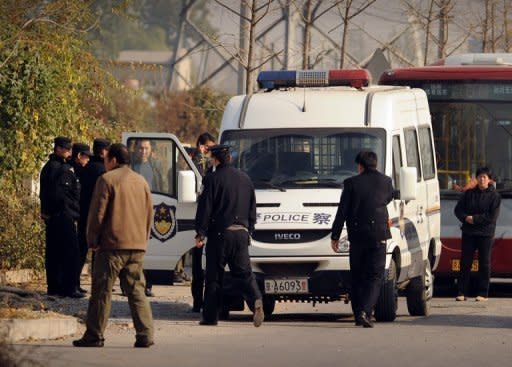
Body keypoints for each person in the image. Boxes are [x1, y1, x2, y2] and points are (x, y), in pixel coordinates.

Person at [73, 143, 154, 348]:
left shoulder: (106, 180)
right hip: (136, 245)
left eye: (107, 158)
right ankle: (145, 334)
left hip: (111, 246)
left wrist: (92, 240)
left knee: (102, 291)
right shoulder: (141, 181)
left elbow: (97, 214)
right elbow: (149, 214)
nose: (105, 162)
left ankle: (94, 335)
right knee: (137, 290)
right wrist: (142, 239)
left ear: (114, 160)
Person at [194, 144, 264, 327]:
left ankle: (210, 317)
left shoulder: (212, 179)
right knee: (244, 273)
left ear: (215, 160)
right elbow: (252, 207)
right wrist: (250, 229)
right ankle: (256, 299)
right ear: (230, 159)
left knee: (214, 277)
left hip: (220, 234)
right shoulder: (246, 179)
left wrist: (200, 232)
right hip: (241, 233)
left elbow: (205, 208)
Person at [330, 151, 393, 328]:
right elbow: (388, 198)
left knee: (357, 275)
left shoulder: (351, 183)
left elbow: (342, 211)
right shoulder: (386, 182)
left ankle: (359, 313)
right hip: (379, 236)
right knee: (375, 276)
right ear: (376, 164)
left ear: (360, 166)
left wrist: (335, 236)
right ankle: (366, 311)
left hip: (357, 237)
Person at [454, 167, 501, 302]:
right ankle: (462, 292)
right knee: (465, 262)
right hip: (469, 232)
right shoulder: (469, 194)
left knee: (484, 263)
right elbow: (458, 210)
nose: (482, 179)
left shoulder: (495, 196)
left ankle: (483, 293)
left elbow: (492, 217)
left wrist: (474, 219)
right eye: (479, 177)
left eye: (484, 177)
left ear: (489, 179)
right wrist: (465, 218)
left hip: (486, 234)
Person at [40, 136, 75, 296]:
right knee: (67, 253)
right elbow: (58, 195)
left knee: (54, 253)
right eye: (66, 149)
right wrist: (72, 212)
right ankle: (65, 288)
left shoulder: (49, 166)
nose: (69, 153)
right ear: (59, 149)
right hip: (61, 216)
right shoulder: (58, 168)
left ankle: (55, 287)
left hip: (52, 216)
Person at [190, 132, 216, 312]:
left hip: (211, 223)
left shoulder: (211, 167)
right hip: (198, 221)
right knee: (198, 267)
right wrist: (200, 157)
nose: (210, 152)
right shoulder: (195, 163)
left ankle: (207, 302)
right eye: (207, 148)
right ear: (200, 146)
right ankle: (198, 302)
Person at [79, 138, 111, 279]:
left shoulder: (87, 167)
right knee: (98, 248)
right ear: (104, 151)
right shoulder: (102, 171)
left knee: (81, 248)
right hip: (96, 212)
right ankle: (98, 279)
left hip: (83, 211)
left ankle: (75, 282)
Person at [71, 143, 93, 294]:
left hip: (78, 215)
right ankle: (73, 284)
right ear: (79, 156)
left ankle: (76, 284)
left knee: (80, 251)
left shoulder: (80, 170)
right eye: (86, 157)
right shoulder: (73, 171)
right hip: (74, 217)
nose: (88, 160)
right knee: (76, 252)